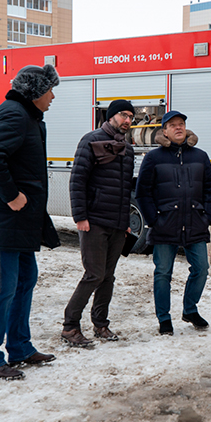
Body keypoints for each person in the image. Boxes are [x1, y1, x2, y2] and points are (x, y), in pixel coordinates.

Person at [0, 64, 60, 380]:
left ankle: (20, 347)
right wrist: (12, 196)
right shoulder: (14, 115)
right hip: (4, 220)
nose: (52, 96)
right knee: (3, 289)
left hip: (19, 221)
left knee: (24, 282)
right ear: (34, 92)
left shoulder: (28, 117)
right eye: (49, 90)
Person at [135, 110, 211, 336]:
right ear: (164, 131)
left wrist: (207, 217)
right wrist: (154, 219)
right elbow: (142, 192)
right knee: (163, 273)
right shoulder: (154, 158)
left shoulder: (200, 156)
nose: (178, 127)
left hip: (195, 224)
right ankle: (164, 318)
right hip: (164, 225)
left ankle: (189, 309)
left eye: (181, 124)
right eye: (172, 125)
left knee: (201, 269)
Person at [61, 100, 136, 347]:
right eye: (124, 115)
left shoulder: (127, 149)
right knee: (94, 274)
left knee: (108, 276)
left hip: (116, 224)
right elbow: (78, 180)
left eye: (131, 117)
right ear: (112, 116)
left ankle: (101, 324)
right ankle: (70, 327)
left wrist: (125, 221)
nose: (127, 120)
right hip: (94, 221)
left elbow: (125, 190)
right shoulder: (90, 140)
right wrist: (80, 216)